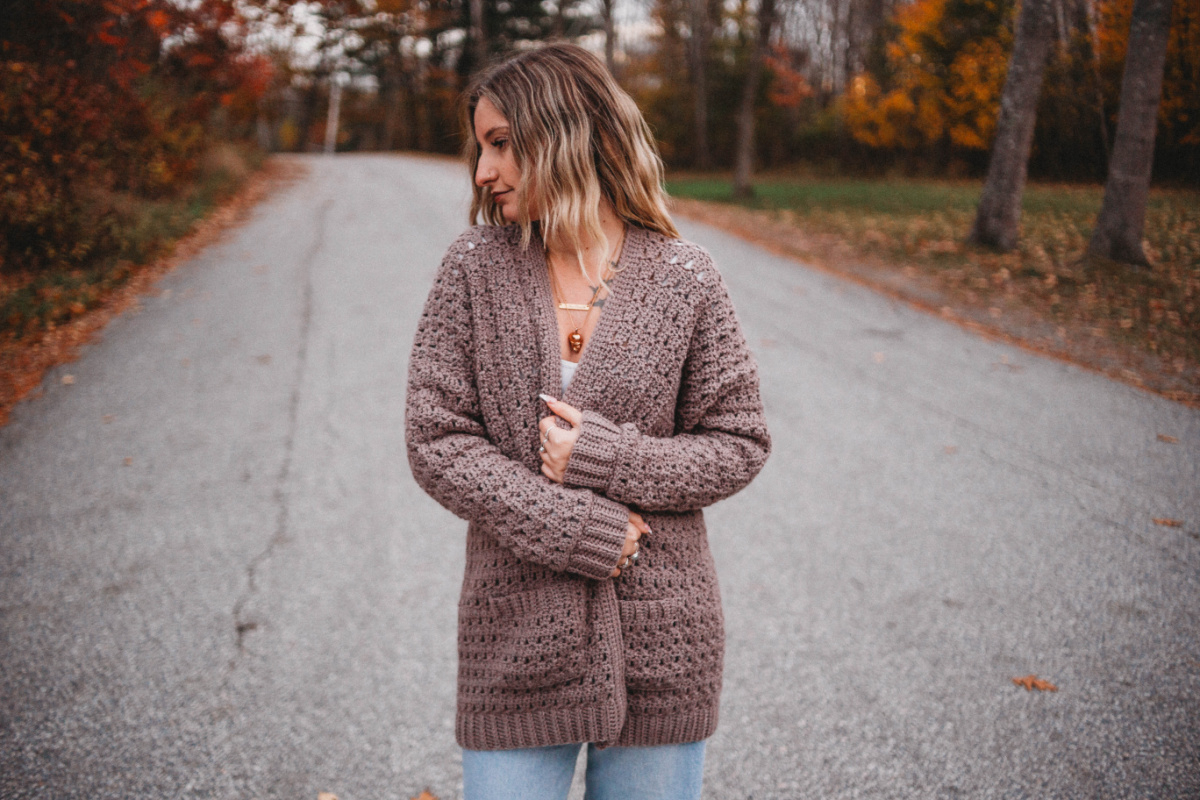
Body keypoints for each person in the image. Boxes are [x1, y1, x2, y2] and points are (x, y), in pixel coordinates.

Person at [404, 43, 770, 800]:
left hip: (663, 646)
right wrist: (574, 526)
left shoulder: (685, 277)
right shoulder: (473, 268)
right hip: (515, 640)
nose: (483, 172)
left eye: (501, 144)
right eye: (481, 148)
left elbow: (739, 440)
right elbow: (437, 440)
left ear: (566, 134)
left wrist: (604, 459)